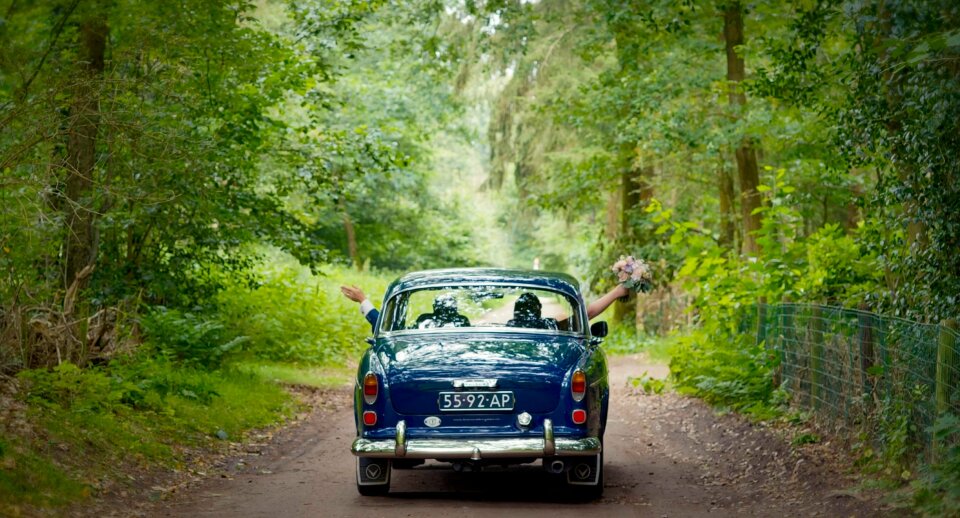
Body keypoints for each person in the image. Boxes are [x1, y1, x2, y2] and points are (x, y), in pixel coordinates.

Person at [340, 283, 630, 333]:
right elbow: (587, 313)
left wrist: (364, 300)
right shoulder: (551, 327)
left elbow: (385, 328)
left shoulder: (418, 329)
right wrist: (618, 291)